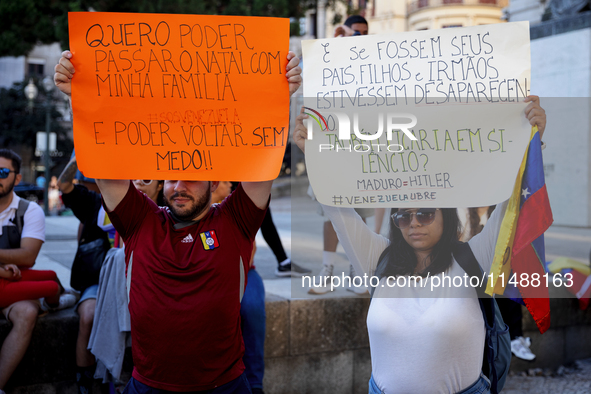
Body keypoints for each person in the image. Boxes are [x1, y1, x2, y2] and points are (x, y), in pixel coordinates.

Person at [55, 49, 301, 393]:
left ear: (214, 183)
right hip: (148, 385)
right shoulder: (139, 219)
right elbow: (105, 165)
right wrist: (79, 96)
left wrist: (278, 97)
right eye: (170, 178)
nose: (178, 187)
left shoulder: (235, 219)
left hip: (224, 386)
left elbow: (262, 159)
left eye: (191, 177)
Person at [293, 97, 547, 393]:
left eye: (425, 213)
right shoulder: (377, 258)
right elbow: (339, 212)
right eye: (403, 216)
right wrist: (314, 154)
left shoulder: (474, 257)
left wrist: (531, 141)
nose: (413, 222)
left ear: (446, 215)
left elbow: (511, 208)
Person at [57, 156, 164, 393]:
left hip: (150, 284)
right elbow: (64, 185)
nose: (138, 182)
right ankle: (86, 383)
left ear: (160, 185)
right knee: (88, 316)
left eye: (146, 178)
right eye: (132, 176)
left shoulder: (166, 214)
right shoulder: (99, 203)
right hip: (101, 281)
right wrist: (80, 156)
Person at [0, 149, 76, 393]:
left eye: (2, 172)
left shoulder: (29, 210)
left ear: (17, 178)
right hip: (10, 279)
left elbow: (28, 256)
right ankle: (53, 303)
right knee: (50, 286)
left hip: (13, 282)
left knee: (28, 311)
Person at [308, 15, 371, 295]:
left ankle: (358, 268)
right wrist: (337, 42)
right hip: (332, 149)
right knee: (330, 213)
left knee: (361, 212)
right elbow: (313, 74)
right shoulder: (330, 57)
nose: (360, 38)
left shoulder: (374, 62)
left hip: (363, 148)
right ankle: (327, 269)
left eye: (364, 34)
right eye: (355, 33)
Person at [459, 206, 537, 361]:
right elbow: (459, 244)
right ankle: (511, 337)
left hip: (492, 267)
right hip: (467, 266)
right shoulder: (462, 212)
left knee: (508, 277)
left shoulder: (500, 211)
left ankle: (513, 338)